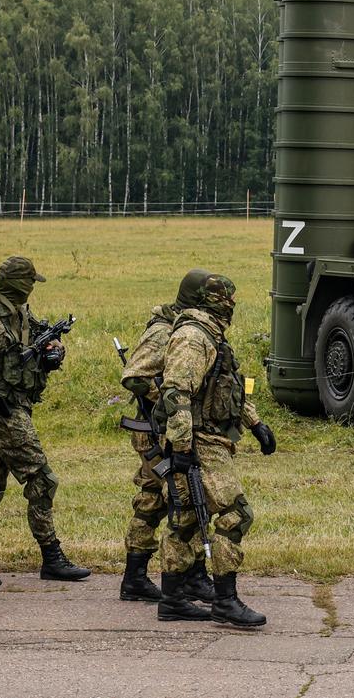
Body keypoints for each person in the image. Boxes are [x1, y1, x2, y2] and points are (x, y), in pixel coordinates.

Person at [0, 256, 89, 580]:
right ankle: (52, 557)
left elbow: (33, 338)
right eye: (30, 282)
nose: (33, 288)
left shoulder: (19, 312)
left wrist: (53, 349)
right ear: (20, 284)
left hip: (17, 406)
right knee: (42, 479)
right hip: (2, 411)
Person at [155, 273, 275, 628]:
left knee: (188, 518)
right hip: (200, 442)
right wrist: (181, 447)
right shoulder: (193, 337)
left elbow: (226, 385)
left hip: (209, 438)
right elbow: (176, 392)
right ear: (211, 300)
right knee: (237, 515)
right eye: (227, 298)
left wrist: (255, 424)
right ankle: (225, 599)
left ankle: (173, 598)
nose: (233, 304)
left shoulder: (210, 335)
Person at [116, 268, 211, 604]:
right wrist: (171, 402)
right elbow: (134, 376)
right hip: (156, 434)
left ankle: (135, 578)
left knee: (151, 501)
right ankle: (191, 576)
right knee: (183, 498)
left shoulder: (186, 327)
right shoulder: (164, 332)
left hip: (163, 432)